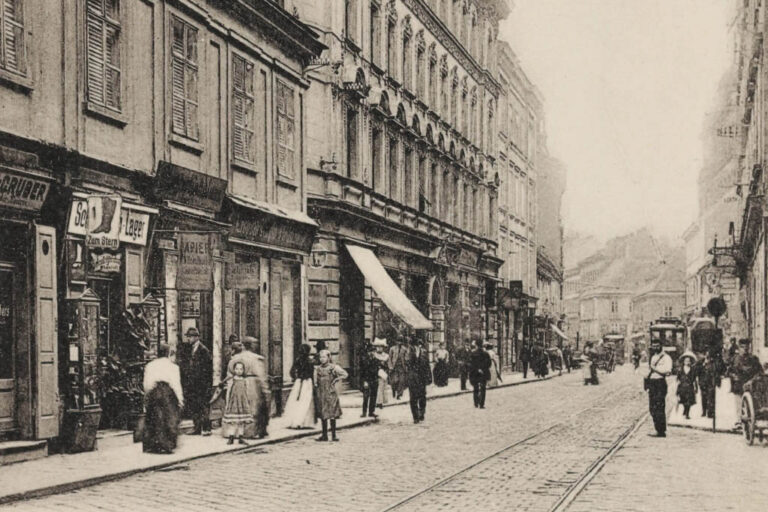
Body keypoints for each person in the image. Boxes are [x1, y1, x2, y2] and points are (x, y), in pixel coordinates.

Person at [142, 344, 183, 454]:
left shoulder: (150, 365)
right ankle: (166, 445)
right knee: (168, 419)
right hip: (167, 394)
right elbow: (176, 384)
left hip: (154, 393)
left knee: (154, 419)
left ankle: (153, 445)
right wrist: (180, 399)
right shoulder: (173, 367)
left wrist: (147, 397)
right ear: (168, 353)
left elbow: (147, 384)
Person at [227, 337, 270, 439]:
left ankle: (239, 432)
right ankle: (254, 432)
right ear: (251, 345)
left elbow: (230, 371)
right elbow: (260, 374)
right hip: (253, 383)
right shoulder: (256, 358)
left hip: (239, 383)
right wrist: (265, 388)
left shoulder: (236, 357)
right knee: (255, 408)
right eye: (254, 344)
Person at [179, 327, 213, 436]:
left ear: (196, 337)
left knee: (203, 406)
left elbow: (208, 370)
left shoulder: (204, 350)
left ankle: (206, 428)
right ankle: (197, 427)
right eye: (188, 337)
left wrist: (208, 385)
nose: (188, 339)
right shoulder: (190, 349)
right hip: (192, 384)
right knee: (195, 406)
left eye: (190, 337)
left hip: (201, 384)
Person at [314, 350, 348, 441]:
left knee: (332, 414)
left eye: (324, 357)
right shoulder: (317, 369)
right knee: (323, 414)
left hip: (331, 393)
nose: (322, 359)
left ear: (329, 358)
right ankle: (324, 435)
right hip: (321, 394)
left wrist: (336, 379)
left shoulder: (333, 368)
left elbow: (345, 374)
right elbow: (315, 382)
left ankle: (334, 435)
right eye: (320, 357)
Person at [728, 339, 762, 428]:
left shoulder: (754, 359)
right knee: (739, 402)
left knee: (753, 402)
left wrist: (752, 380)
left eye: (747, 347)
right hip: (738, 384)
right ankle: (739, 421)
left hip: (751, 384)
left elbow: (759, 372)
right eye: (742, 347)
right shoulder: (735, 359)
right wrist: (734, 376)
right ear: (739, 348)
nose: (745, 349)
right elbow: (729, 371)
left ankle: (754, 419)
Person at [283, 344, 316, 428]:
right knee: (306, 401)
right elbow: (312, 374)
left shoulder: (297, 360)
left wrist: (296, 378)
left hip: (299, 382)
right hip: (307, 382)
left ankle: (294, 421)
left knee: (295, 400)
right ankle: (304, 422)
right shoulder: (311, 361)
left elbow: (291, 372)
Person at [646, 339, 673, 437]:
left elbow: (667, 371)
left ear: (661, 346)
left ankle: (661, 431)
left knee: (659, 407)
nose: (655, 348)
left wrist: (655, 369)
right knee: (652, 408)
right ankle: (657, 428)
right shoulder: (653, 357)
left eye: (657, 346)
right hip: (652, 383)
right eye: (653, 346)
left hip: (660, 383)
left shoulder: (666, 358)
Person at [221, 361, 252, 445]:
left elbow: (247, 391)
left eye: (241, 369)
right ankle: (231, 436)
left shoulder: (245, 380)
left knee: (241, 421)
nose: (239, 371)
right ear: (234, 369)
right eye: (237, 369)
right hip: (233, 402)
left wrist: (247, 401)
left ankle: (240, 437)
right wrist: (228, 402)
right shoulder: (232, 380)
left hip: (242, 402)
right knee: (233, 421)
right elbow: (228, 392)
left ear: (243, 370)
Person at [405, 337, 432, 424]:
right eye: (415, 346)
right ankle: (415, 417)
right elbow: (407, 364)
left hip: (422, 378)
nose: (417, 347)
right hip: (412, 379)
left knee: (422, 397)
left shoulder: (424, 353)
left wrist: (429, 378)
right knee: (413, 398)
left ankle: (421, 413)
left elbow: (427, 366)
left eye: (418, 346)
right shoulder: (408, 353)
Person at [359, 339, 385, 418]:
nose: (372, 353)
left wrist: (381, 366)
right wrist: (364, 382)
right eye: (371, 352)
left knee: (373, 396)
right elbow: (362, 372)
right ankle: (364, 412)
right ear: (368, 352)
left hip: (374, 380)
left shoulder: (376, 360)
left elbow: (380, 368)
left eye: (373, 352)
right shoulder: (364, 360)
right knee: (366, 397)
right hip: (367, 380)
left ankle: (371, 412)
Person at [695, 353, 719, 419]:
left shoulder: (713, 363)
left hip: (711, 383)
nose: (708, 358)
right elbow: (696, 371)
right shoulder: (700, 363)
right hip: (703, 383)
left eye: (709, 356)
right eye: (706, 356)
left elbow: (716, 372)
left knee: (711, 398)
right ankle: (704, 411)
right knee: (704, 397)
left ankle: (710, 413)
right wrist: (703, 365)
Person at [469, 340, 491, 409]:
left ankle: (476, 403)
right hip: (483, 373)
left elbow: (471, 364)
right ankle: (481, 404)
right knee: (483, 388)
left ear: (476, 345)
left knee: (475, 388)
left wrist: (477, 369)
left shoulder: (473, 353)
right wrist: (482, 369)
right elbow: (489, 363)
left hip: (475, 373)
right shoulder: (486, 353)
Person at [676, 352, 698, 419]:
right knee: (683, 400)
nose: (687, 362)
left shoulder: (693, 369)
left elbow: (695, 379)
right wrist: (677, 388)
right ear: (684, 362)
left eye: (688, 361)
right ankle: (685, 410)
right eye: (686, 361)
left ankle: (687, 414)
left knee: (689, 401)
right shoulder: (680, 369)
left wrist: (696, 388)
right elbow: (678, 379)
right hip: (682, 387)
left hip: (689, 387)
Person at [388, 336, 410, 400]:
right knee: (395, 381)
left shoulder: (404, 349)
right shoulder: (392, 349)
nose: (399, 343)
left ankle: (399, 394)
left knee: (402, 381)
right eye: (398, 341)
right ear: (396, 342)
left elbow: (407, 359)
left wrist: (406, 366)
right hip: (394, 367)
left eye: (400, 341)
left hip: (402, 367)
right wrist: (390, 366)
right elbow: (389, 358)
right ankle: (394, 390)